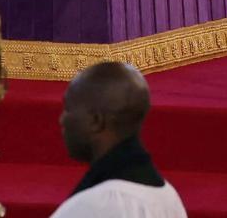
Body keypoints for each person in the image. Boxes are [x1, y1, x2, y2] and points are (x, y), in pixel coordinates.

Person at [51, 61, 185, 218]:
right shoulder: (169, 198)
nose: (62, 120)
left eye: (68, 108)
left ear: (96, 121)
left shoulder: (92, 207)